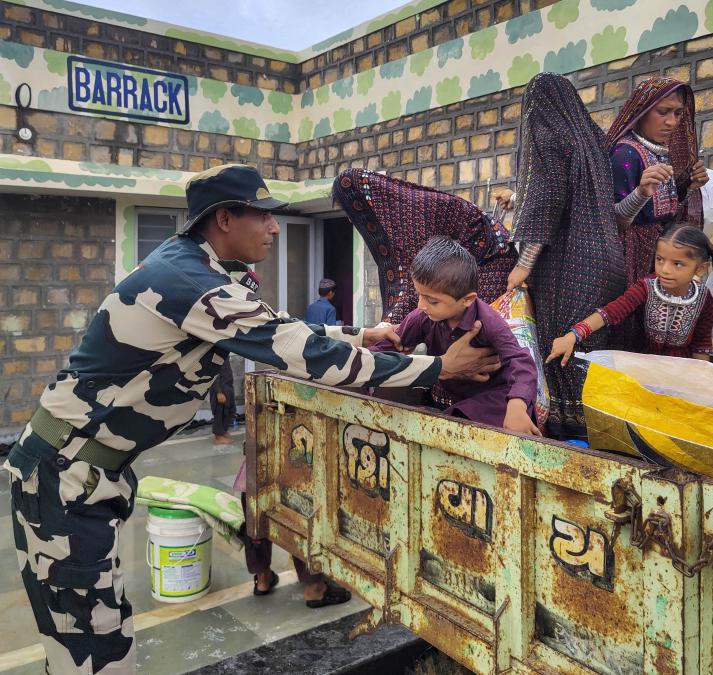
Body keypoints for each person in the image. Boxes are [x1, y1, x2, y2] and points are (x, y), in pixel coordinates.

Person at [4, 163, 500, 674]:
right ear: (223, 219)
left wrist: (357, 335)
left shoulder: (203, 272)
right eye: (262, 216)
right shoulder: (189, 281)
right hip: (61, 480)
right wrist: (438, 367)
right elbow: (303, 355)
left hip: (84, 474)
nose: (275, 227)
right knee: (90, 651)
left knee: (98, 629)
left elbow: (280, 327)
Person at [499, 72, 627, 439]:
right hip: (607, 260)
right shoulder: (592, 140)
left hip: (570, 264)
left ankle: (567, 435)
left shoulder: (549, 132)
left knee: (562, 350)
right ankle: (602, 431)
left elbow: (547, 199)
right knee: (592, 349)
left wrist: (523, 264)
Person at [371, 236, 540, 435]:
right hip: (462, 403)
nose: (421, 305)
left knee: (452, 427)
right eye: (419, 295)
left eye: (432, 301)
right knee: (448, 424)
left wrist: (517, 406)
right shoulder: (422, 317)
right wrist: (360, 361)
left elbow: (522, 362)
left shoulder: (489, 322)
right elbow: (392, 343)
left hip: (498, 400)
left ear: (467, 300)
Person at [333, 168, 517, 324]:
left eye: (351, 211)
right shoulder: (400, 214)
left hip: (490, 267)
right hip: (468, 274)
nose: (351, 219)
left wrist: (390, 324)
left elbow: (419, 278)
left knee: (476, 337)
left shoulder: (411, 215)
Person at [547, 224, 713, 366]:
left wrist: (701, 381)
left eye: (677, 264)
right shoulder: (646, 287)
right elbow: (611, 312)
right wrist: (572, 336)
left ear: (700, 268)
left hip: (681, 371)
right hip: (642, 365)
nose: (665, 269)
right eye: (660, 259)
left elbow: (701, 345)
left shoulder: (703, 298)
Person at [604, 76, 709, 286]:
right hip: (632, 258)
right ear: (641, 112)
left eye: (678, 113)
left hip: (660, 254)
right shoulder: (625, 154)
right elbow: (612, 221)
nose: (672, 121)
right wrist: (641, 193)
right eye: (663, 112)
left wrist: (690, 187)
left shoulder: (662, 152)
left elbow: (666, 213)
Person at [210, 358, 236, 444]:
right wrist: (219, 392)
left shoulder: (224, 353)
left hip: (228, 387)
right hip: (220, 388)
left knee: (230, 411)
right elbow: (213, 375)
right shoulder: (215, 354)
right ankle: (218, 437)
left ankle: (223, 431)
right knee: (219, 413)